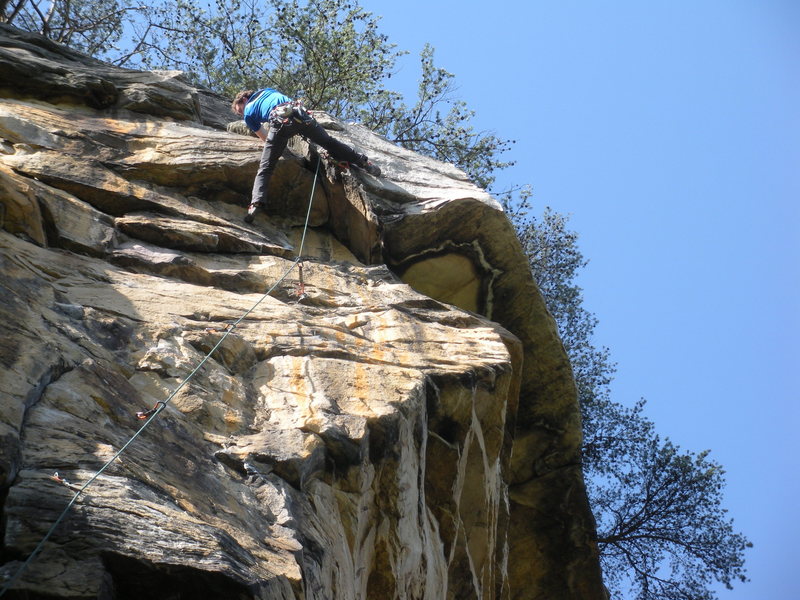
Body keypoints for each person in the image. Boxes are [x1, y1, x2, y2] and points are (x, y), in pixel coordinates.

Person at [231, 88, 382, 223]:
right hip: (301, 115)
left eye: (240, 110)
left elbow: (264, 136)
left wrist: (277, 146)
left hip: (279, 121)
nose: (241, 114)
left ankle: (256, 203)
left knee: (265, 167)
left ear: (244, 99)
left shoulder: (249, 112)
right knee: (328, 141)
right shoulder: (268, 91)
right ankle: (363, 162)